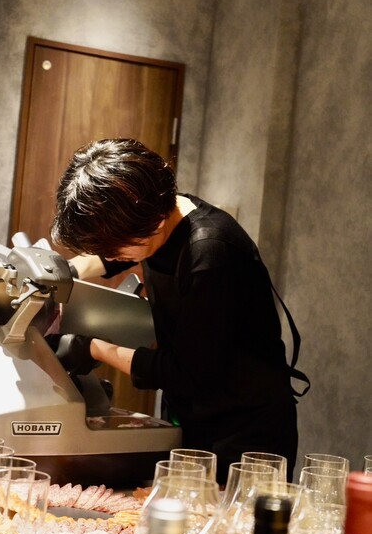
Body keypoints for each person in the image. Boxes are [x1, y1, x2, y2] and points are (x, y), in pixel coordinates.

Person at [50, 138, 309, 484]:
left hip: (245, 433)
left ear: (154, 224)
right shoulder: (157, 210)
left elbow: (189, 373)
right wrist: (62, 273)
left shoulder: (209, 253)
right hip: (194, 413)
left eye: (115, 249)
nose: (110, 258)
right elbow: (113, 256)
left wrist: (93, 348)